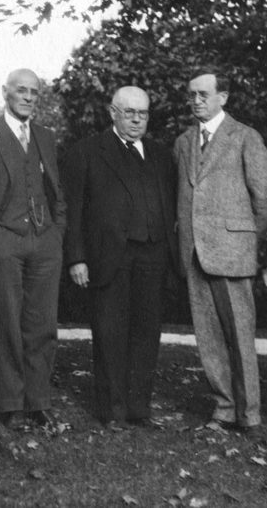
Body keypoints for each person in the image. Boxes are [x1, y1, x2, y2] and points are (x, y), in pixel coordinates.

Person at [62, 86, 177, 428]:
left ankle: (138, 408)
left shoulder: (159, 155)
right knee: (110, 333)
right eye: (130, 113)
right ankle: (111, 411)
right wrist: (77, 258)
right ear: (113, 112)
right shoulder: (87, 152)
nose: (137, 120)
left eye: (142, 114)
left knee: (146, 333)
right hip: (108, 256)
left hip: (152, 255)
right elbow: (74, 210)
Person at [173, 68, 267, 432]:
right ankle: (223, 409)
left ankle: (249, 414)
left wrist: (242, 238)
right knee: (209, 339)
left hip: (233, 253)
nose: (196, 101)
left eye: (203, 94)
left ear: (223, 98)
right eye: (192, 95)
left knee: (240, 338)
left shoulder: (245, 137)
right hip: (195, 253)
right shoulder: (184, 141)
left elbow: (264, 198)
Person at [0, 69, 66, 430]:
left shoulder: (45, 136)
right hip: (4, 241)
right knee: (7, 323)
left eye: (34, 93)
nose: (27, 97)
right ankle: (10, 405)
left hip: (44, 242)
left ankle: (39, 403)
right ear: (5, 92)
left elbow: (57, 190)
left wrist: (56, 233)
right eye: (20, 91)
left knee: (42, 325)